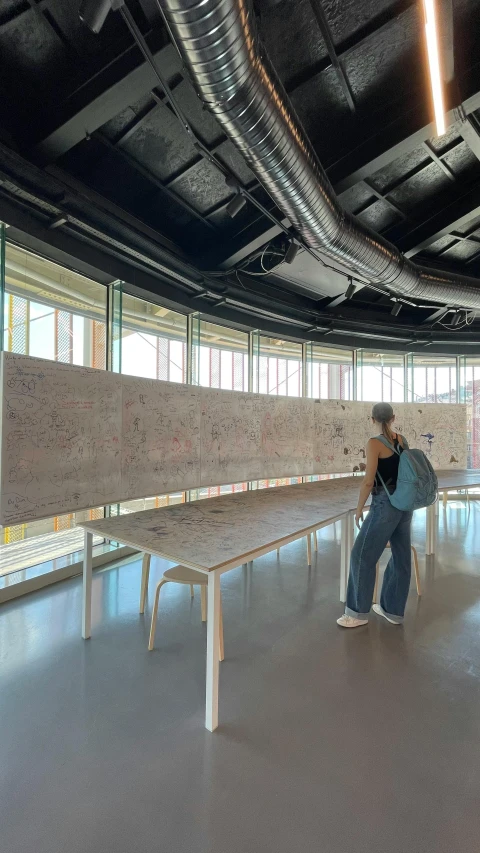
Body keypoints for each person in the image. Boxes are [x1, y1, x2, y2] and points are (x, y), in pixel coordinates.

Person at [337, 402, 413, 628]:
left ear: (372, 419)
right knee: (401, 558)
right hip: (404, 505)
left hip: (384, 505)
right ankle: (392, 611)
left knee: (361, 556)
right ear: (393, 417)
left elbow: (369, 480)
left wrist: (360, 507)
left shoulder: (374, 444)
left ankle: (357, 614)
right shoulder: (402, 440)